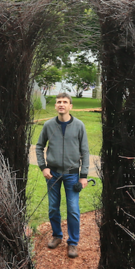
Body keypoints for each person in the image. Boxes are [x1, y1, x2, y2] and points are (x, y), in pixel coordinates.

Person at [35, 92, 89, 258]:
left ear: (70, 106)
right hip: (53, 174)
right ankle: (57, 236)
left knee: (73, 209)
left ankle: (73, 243)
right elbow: (39, 147)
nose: (61, 104)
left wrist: (84, 175)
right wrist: (43, 167)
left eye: (65, 102)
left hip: (72, 175)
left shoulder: (79, 126)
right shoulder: (49, 125)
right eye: (59, 102)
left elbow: (85, 152)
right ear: (55, 105)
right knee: (53, 208)